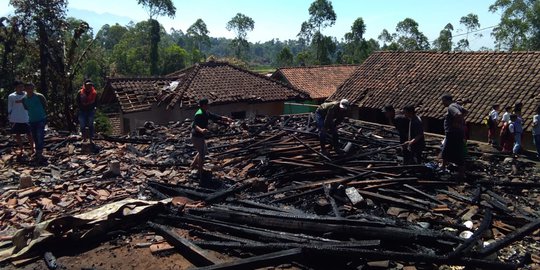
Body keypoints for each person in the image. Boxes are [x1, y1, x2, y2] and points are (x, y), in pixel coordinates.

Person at [190, 98, 232, 177]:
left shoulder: (205, 112)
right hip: (196, 136)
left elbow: (215, 117)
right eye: (207, 104)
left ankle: (193, 165)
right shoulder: (199, 114)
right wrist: (201, 130)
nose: (209, 105)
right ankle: (200, 171)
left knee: (203, 150)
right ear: (204, 105)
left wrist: (226, 119)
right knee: (202, 153)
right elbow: (194, 125)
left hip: (200, 136)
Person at [440, 94, 467, 180]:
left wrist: (456, 123)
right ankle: (443, 168)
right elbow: (466, 111)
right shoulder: (456, 105)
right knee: (447, 151)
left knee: (447, 152)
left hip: (453, 134)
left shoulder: (451, 107)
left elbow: (458, 114)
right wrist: (460, 121)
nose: (442, 103)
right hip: (456, 133)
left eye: (443, 101)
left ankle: (459, 174)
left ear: (446, 100)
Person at [22, 82, 47, 162]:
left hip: (41, 119)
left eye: (31, 88)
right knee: (35, 137)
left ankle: (40, 152)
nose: (30, 90)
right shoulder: (24, 99)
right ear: (25, 89)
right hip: (32, 120)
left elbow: (45, 105)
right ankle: (37, 151)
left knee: (40, 135)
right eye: (28, 88)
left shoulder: (39, 96)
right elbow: (26, 108)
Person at [7, 80, 33, 156]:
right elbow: (10, 107)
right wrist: (9, 116)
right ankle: (21, 149)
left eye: (22, 86)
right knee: (17, 134)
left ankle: (32, 149)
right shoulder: (11, 96)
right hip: (16, 117)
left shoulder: (26, 94)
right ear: (15, 87)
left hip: (26, 117)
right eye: (19, 87)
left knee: (29, 134)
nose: (21, 88)